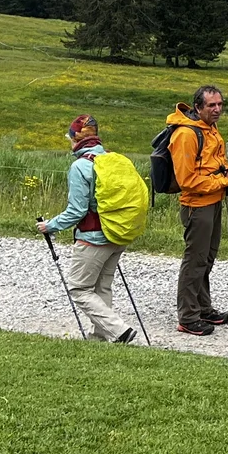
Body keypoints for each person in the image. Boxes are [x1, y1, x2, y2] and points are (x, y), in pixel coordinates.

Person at [37, 115, 138, 344]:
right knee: (102, 286)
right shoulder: (113, 159)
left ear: (75, 138)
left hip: (93, 238)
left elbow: (77, 211)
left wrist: (50, 226)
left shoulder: (81, 166)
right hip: (119, 233)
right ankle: (99, 339)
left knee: (79, 288)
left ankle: (119, 330)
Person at [165, 85, 228, 336]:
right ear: (198, 107)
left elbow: (213, 164)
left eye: (220, 104)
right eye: (212, 105)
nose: (218, 109)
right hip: (196, 206)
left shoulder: (209, 129)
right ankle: (187, 317)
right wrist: (225, 181)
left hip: (213, 201)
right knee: (195, 261)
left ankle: (202, 307)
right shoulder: (186, 135)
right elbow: (187, 180)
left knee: (206, 259)